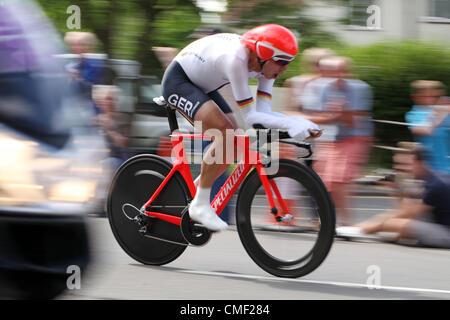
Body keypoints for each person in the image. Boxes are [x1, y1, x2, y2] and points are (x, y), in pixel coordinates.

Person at [161, 24, 322, 231]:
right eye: (281, 62)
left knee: (235, 140)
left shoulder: (265, 67)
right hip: (179, 81)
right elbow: (253, 117)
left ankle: (195, 191)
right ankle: (200, 205)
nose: (284, 69)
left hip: (203, 85)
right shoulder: (236, 60)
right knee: (226, 133)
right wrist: (292, 124)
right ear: (263, 54)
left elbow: (265, 112)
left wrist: (301, 123)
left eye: (288, 63)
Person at [336, 147, 450, 249]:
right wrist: (396, 190)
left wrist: (384, 226)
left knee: (394, 224)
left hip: (446, 232)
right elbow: (404, 210)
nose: (407, 169)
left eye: (410, 164)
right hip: (438, 222)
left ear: (421, 163)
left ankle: (356, 230)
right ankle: (355, 229)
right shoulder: (430, 180)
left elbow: (410, 214)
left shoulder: (436, 185)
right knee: (390, 221)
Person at [405, 80, 450, 173]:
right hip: (431, 168)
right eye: (428, 96)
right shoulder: (414, 114)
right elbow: (423, 131)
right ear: (415, 97)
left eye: (437, 96)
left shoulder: (443, 111)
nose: (434, 100)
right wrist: (439, 113)